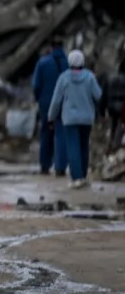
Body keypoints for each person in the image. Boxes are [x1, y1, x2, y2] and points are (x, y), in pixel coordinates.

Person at [48, 50, 103, 189]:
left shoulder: (64, 78)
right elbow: (99, 96)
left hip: (70, 119)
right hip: (87, 118)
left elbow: (56, 101)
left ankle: (77, 178)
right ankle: (83, 176)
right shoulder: (90, 77)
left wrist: (51, 117)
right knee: (84, 146)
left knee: (73, 148)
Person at [32, 38, 69, 176]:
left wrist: (38, 98)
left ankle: (45, 165)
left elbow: (36, 85)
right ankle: (60, 167)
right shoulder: (68, 63)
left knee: (46, 133)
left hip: (46, 103)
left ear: (51, 47)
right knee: (61, 133)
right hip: (64, 103)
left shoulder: (43, 63)